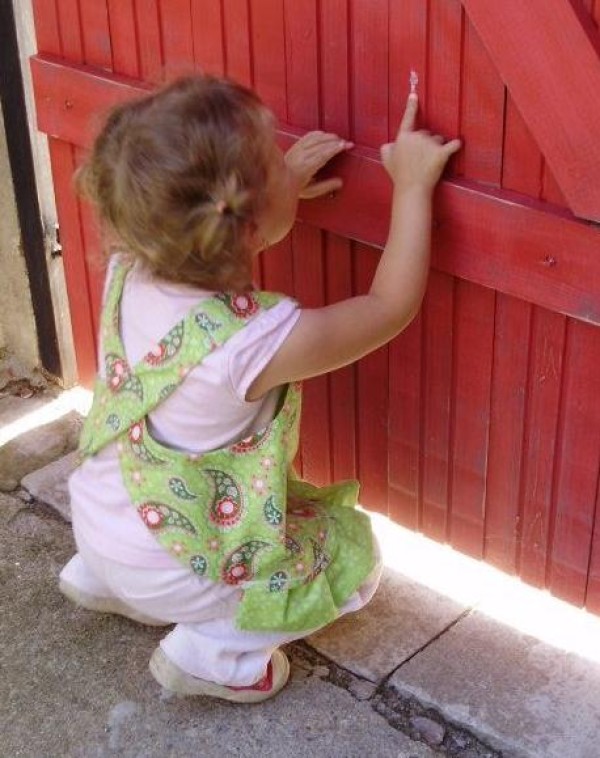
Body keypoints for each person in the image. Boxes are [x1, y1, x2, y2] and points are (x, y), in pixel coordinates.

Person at [59, 75, 461, 703]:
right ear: (245, 221)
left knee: (138, 522)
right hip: (172, 567)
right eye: (275, 158)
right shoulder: (253, 343)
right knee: (348, 559)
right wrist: (412, 187)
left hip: (96, 522)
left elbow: (219, 237)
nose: (287, 156)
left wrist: (281, 188)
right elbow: (388, 307)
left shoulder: (130, 264)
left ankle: (102, 579)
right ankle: (215, 654)